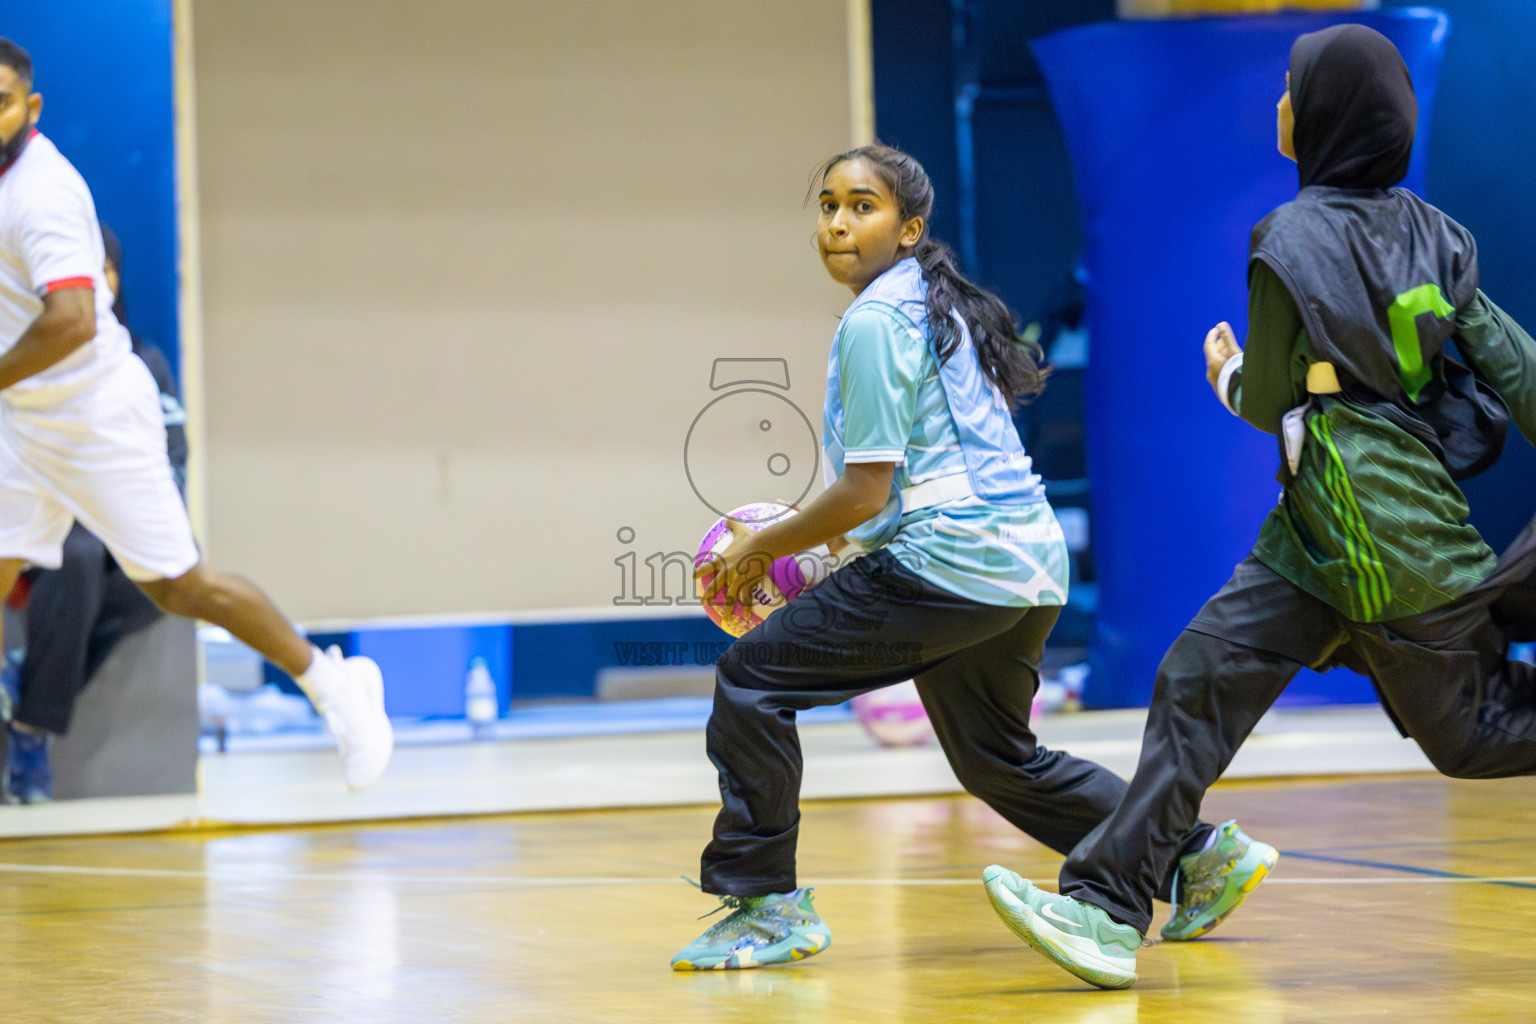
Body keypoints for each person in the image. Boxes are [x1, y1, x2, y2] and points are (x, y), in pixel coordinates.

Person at [984, 24, 1536, 990]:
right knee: (1197, 679)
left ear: (1322, 113)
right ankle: (1109, 908)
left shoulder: (1289, 237)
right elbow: (1515, 370)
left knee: (1472, 739)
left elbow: (1272, 402)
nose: (1280, 104)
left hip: (1379, 546)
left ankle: (1118, 898)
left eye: (1292, 89)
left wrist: (1227, 369)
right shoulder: (1443, 237)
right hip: (1320, 537)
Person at [671, 143, 1268, 972]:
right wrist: (831, 542)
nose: (839, 223)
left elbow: (867, 491)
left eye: (863, 207)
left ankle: (765, 907)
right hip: (1025, 561)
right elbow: (916, 470)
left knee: (751, 681)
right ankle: (1199, 855)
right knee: (998, 759)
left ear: (909, 228)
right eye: (829, 206)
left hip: (955, 560)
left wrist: (760, 548)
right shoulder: (928, 303)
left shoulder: (878, 320)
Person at [0, 38, 392, 792]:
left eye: (1, 103)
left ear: (32, 108)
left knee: (178, 586)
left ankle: (335, 688)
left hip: (92, 415)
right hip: (25, 421)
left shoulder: (41, 193)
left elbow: (74, 318)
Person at [0, 225, 188, 803]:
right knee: (76, 556)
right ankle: (33, 735)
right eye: (88, 269)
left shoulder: (144, 361)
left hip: (114, 523)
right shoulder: (23, 362)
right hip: (38, 529)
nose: (100, 280)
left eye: (108, 268)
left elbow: (175, 458)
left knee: (164, 583)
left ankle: (26, 688)